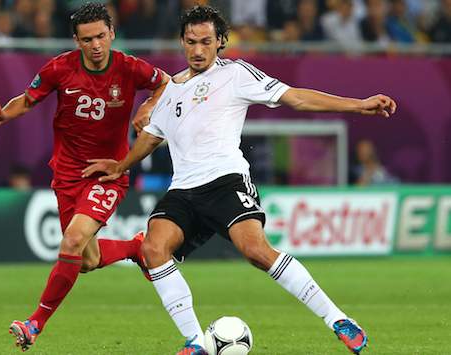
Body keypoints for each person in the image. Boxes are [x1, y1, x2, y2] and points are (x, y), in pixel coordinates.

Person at [83, 5, 397, 355]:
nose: (198, 50)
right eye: (190, 42)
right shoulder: (170, 90)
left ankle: (337, 319)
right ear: (182, 43)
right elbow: (152, 137)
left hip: (225, 181)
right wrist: (121, 165)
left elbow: (295, 97)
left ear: (220, 42)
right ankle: (195, 343)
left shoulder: (236, 74)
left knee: (256, 252)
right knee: (153, 249)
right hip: (183, 189)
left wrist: (358, 105)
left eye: (205, 42)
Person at [0, 3, 169, 352]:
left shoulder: (130, 67)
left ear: (111, 33)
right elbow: (28, 99)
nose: (96, 45)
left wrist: (147, 106)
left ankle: (34, 323)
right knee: (87, 259)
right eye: (87, 39)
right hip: (68, 174)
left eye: (100, 36)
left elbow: (167, 85)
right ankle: (135, 247)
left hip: (108, 172)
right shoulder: (59, 68)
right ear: (76, 41)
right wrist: (3, 114)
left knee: (71, 241)